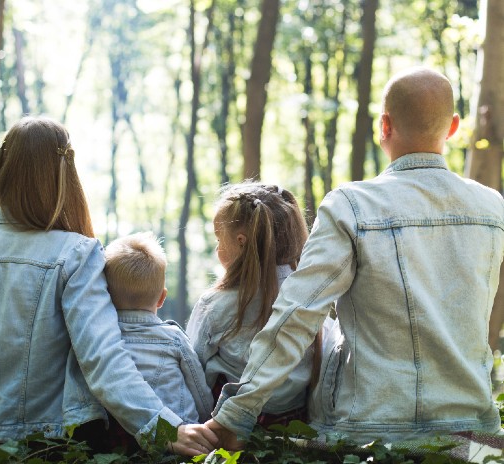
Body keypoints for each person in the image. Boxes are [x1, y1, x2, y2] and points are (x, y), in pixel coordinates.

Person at [206, 67, 504, 448]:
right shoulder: (492, 208)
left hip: (369, 434)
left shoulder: (352, 206)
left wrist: (237, 414)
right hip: (474, 434)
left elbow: (296, 316)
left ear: (384, 125)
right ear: (453, 128)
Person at [0, 116, 217, 456]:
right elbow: (103, 358)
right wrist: (163, 428)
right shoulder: (75, 253)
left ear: (3, 168)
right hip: (58, 445)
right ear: (64, 176)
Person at [186, 182, 318, 427]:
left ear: (241, 242)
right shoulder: (310, 297)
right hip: (294, 421)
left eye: (219, 239)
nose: (217, 248)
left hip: (229, 425)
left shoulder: (216, 304)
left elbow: (193, 368)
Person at [103, 231, 213, 427]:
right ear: (162, 298)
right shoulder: (173, 338)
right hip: (179, 432)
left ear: (106, 296)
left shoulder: (101, 340)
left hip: (122, 438)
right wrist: (206, 420)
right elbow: (199, 389)